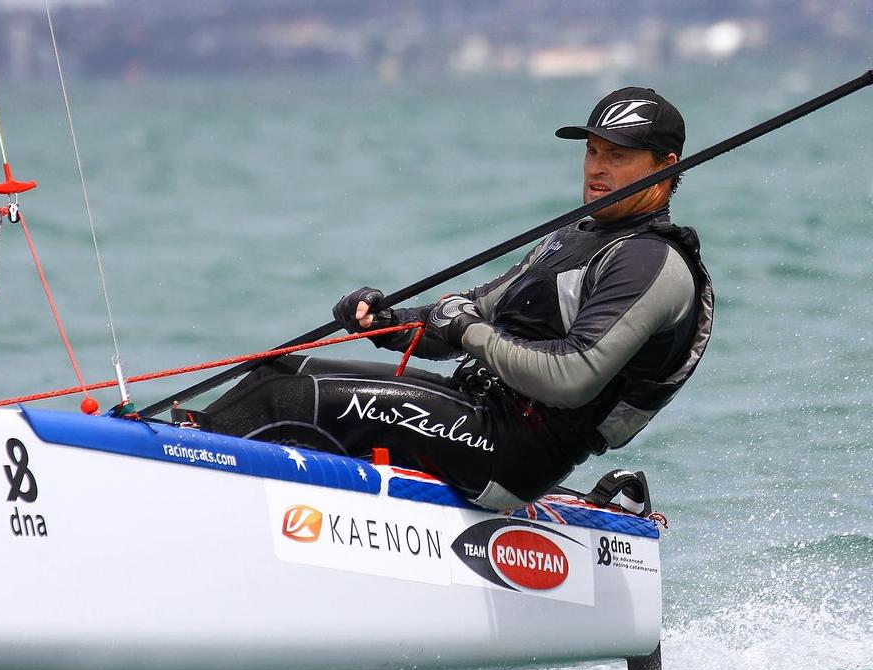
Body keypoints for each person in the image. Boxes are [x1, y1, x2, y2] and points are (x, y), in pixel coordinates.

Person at [198, 86, 714, 511]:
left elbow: (572, 378)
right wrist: (386, 321)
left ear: (665, 166)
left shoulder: (651, 262)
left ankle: (171, 469)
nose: (597, 168)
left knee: (287, 403)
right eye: (592, 151)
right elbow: (468, 312)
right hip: (477, 410)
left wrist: (467, 329)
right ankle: (185, 453)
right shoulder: (573, 237)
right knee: (281, 373)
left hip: (513, 451)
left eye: (618, 156)